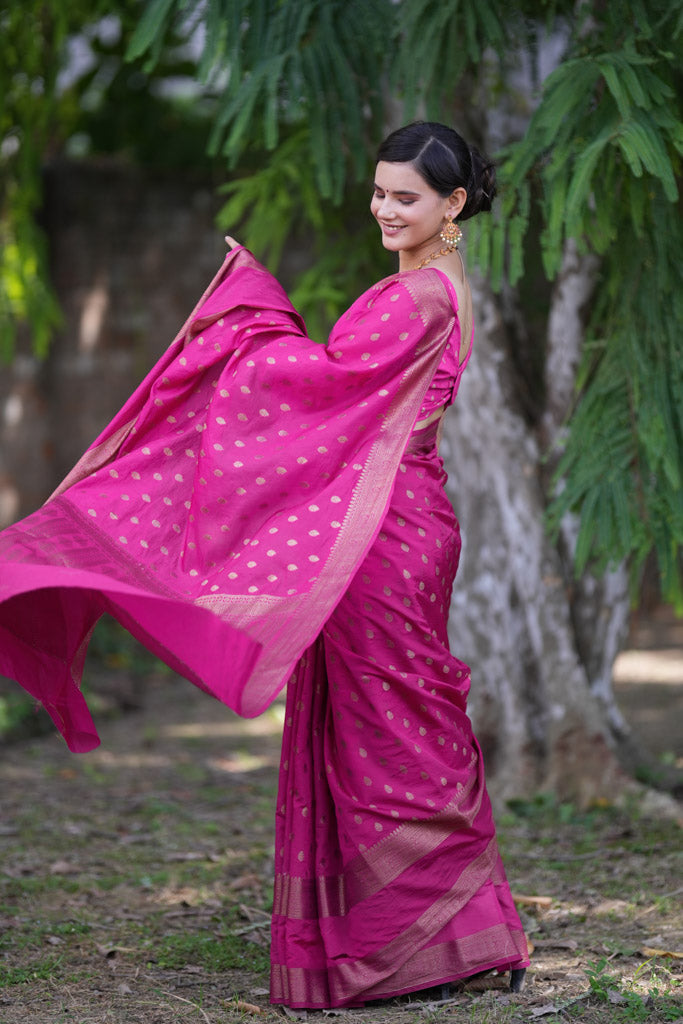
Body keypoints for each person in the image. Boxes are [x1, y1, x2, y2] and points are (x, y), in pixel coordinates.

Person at [0, 121, 529, 1007]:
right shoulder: (440, 285)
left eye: (405, 197)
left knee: (392, 731)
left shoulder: (418, 299)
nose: (384, 210)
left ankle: (435, 944)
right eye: (377, 191)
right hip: (402, 517)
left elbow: (323, 383)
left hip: (384, 532)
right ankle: (433, 940)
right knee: (389, 723)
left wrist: (245, 327)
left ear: (454, 204)